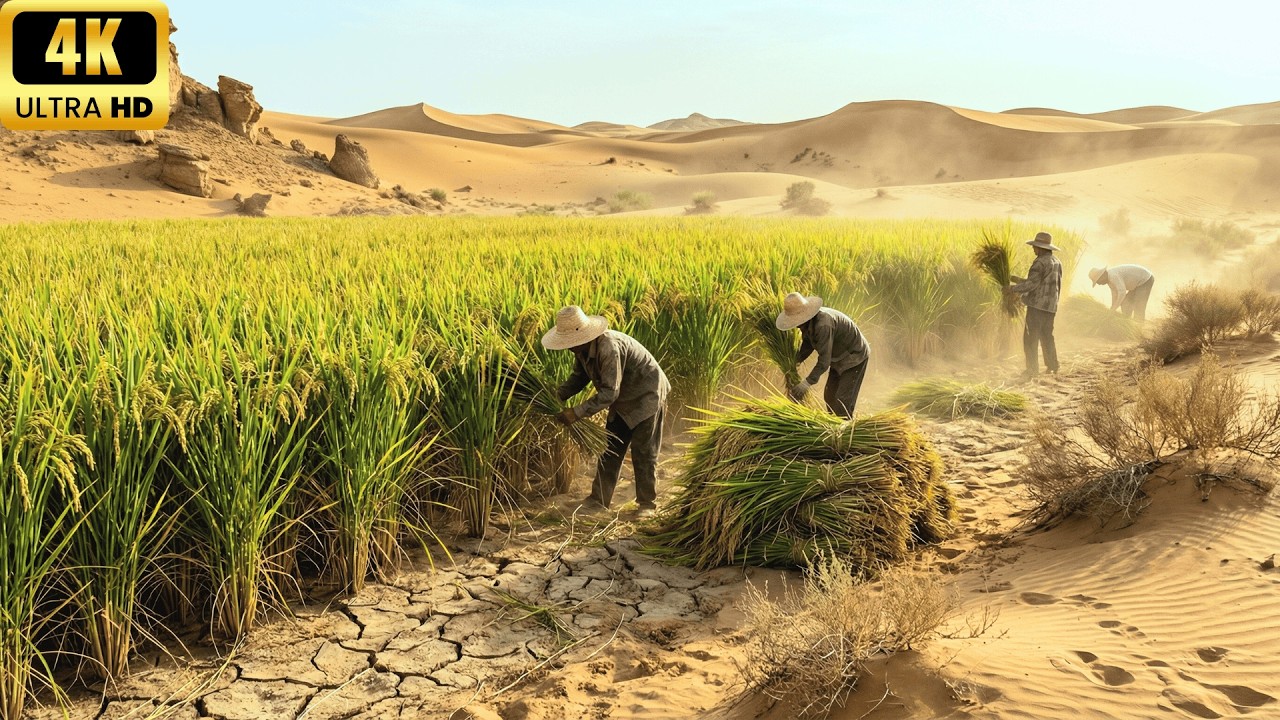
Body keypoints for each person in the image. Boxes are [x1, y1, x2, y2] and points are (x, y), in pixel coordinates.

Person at [542, 305, 670, 513]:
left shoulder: (608, 348)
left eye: (570, 342)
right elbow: (578, 379)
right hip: (623, 400)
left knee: (643, 452)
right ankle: (598, 499)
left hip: (647, 395)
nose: (568, 347)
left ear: (583, 336)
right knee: (610, 449)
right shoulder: (582, 351)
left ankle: (647, 504)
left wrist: (575, 413)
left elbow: (610, 393)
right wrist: (556, 396)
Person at [775, 292, 871, 418]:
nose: (796, 325)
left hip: (854, 357)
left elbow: (824, 362)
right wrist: (794, 360)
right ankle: (834, 425)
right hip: (838, 358)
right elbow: (808, 344)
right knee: (830, 397)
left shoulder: (823, 325)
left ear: (804, 316)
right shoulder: (808, 324)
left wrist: (806, 383)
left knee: (842, 402)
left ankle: (845, 432)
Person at [1006, 231, 1064, 377]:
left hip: (1037, 306)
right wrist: (1016, 279)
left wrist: (1011, 289)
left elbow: (1032, 285)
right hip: (1051, 306)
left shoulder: (1039, 262)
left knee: (1031, 338)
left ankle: (1032, 370)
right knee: (1047, 336)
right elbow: (1041, 282)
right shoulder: (1056, 261)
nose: (1033, 249)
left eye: (1035, 247)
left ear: (1040, 248)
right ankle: (1053, 365)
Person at [1089, 265, 1154, 322]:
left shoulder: (1113, 276)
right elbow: (1115, 295)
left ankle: (1139, 327)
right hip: (1136, 284)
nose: (1099, 284)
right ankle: (1127, 322)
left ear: (1102, 276)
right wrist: (1112, 309)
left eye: (1098, 281)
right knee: (1125, 303)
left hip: (1145, 280)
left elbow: (1122, 292)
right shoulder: (1109, 281)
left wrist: (1113, 309)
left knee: (1139, 306)